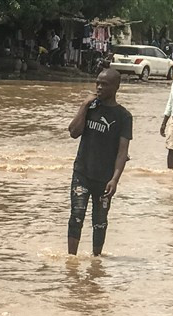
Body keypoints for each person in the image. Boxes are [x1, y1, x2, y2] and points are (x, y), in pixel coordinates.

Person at [66, 68, 132, 256]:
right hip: (82, 172)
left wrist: (115, 179)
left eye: (105, 84)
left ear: (116, 87)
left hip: (105, 178)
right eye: (97, 83)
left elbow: (122, 152)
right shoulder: (91, 108)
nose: (99, 87)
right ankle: (72, 259)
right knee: (76, 216)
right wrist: (84, 106)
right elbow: (73, 132)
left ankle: (97, 260)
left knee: (100, 220)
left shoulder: (123, 116)